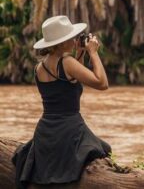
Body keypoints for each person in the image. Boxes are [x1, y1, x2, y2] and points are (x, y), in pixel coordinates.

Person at [11, 15, 112, 189]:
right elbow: (102, 83)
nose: (74, 40)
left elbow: (69, 81)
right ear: (62, 42)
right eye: (70, 37)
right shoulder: (67, 62)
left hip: (46, 131)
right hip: (71, 129)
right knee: (105, 150)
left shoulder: (39, 67)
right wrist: (93, 53)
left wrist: (80, 53)